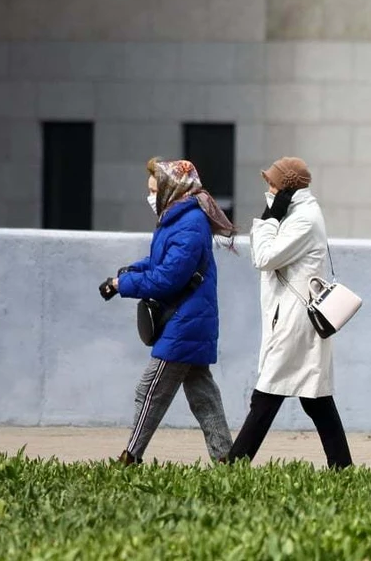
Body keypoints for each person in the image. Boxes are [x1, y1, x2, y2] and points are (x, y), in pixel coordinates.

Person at [99, 158, 237, 465]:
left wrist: (124, 285)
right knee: (204, 398)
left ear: (172, 189)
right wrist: (128, 273)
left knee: (149, 392)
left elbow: (167, 278)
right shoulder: (175, 218)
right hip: (190, 321)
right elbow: (159, 263)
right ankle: (228, 461)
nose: (150, 196)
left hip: (183, 322)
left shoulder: (188, 224)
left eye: (153, 190)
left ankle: (130, 458)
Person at [226, 157, 353, 469]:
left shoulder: (302, 219)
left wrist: (269, 219)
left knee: (267, 393)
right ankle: (342, 466)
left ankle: (234, 465)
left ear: (285, 187)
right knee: (315, 398)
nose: (267, 188)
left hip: (295, 319)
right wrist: (275, 215)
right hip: (293, 316)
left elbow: (264, 257)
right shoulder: (298, 212)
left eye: (272, 183)